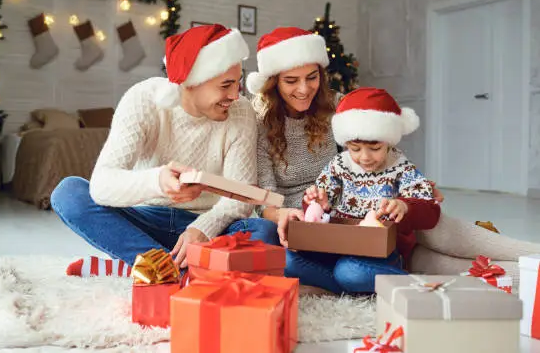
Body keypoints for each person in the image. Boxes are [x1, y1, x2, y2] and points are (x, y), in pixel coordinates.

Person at [51, 24, 279, 277]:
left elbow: (240, 195)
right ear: (192, 81)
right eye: (225, 85)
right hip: (147, 218)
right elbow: (102, 185)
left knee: (264, 232)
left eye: (238, 83)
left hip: (207, 224)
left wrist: (204, 228)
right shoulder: (143, 99)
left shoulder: (241, 111)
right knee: (69, 194)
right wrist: (157, 181)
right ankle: (173, 271)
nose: (235, 95)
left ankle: (139, 265)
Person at [248, 27, 440, 293]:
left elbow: (376, 142)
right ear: (273, 82)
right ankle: (354, 279)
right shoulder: (258, 119)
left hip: (353, 223)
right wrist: (295, 212)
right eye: (291, 80)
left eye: (312, 77)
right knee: (286, 260)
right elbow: (264, 196)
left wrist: (415, 196)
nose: (304, 89)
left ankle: (346, 277)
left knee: (353, 265)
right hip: (300, 225)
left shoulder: (338, 105)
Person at [303, 87, 441, 274]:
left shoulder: (400, 167)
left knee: (350, 271)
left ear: (388, 142)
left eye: (375, 148)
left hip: (382, 252)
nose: (365, 157)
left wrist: (405, 206)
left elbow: (430, 211)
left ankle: (343, 279)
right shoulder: (340, 163)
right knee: (291, 261)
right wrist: (318, 204)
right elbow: (315, 209)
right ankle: (340, 280)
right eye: (355, 149)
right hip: (339, 246)